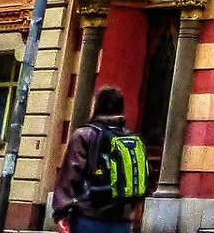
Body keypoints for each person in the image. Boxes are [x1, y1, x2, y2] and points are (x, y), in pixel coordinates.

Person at [52, 86, 147, 233]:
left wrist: (61, 213)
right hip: (121, 220)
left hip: (88, 217)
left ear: (97, 106)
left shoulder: (85, 134)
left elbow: (70, 176)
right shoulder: (131, 139)